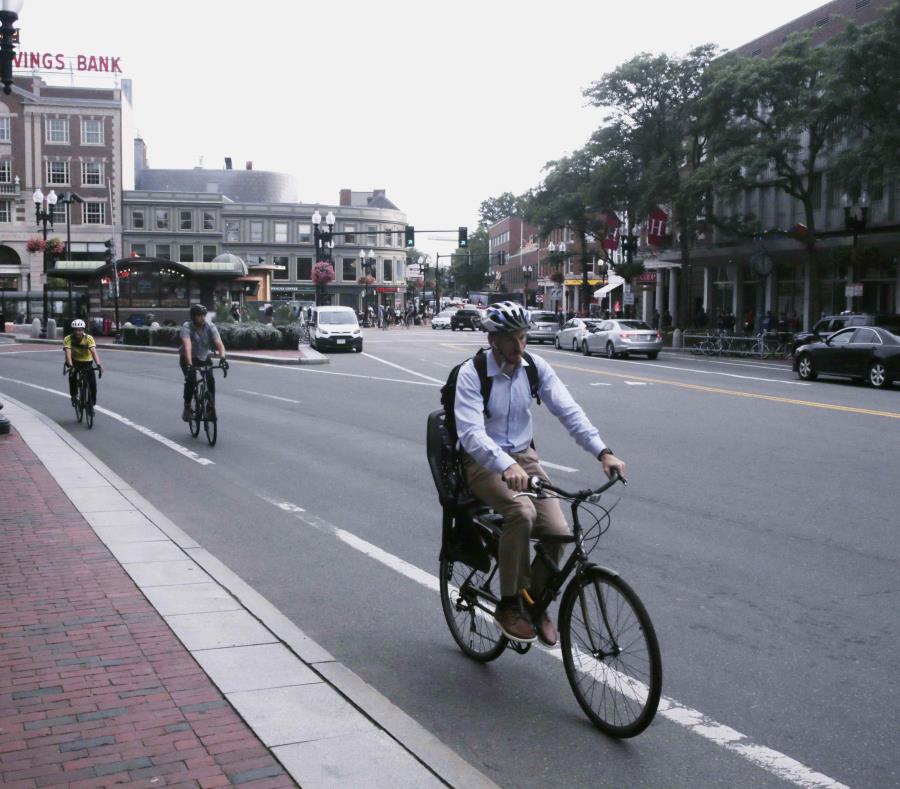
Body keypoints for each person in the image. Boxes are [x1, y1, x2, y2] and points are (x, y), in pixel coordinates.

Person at [455, 301, 626, 646]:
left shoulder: (534, 367)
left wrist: (602, 452)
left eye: (523, 338)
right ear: (493, 340)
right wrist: (505, 464)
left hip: (525, 459)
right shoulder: (472, 373)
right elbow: (471, 434)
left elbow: (568, 410)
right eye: (511, 340)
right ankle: (508, 605)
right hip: (483, 462)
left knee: (560, 532)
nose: (519, 347)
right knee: (522, 512)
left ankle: (533, 601)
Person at [179, 304, 227, 422]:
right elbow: (187, 346)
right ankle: (187, 406)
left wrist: (223, 358)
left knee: (210, 379)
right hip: (187, 357)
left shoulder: (210, 326)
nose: (202, 318)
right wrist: (190, 364)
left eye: (203, 315)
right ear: (193, 317)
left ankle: (210, 408)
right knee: (191, 380)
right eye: (199, 315)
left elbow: (219, 343)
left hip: (204, 357)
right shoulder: (187, 327)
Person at [63, 319, 104, 407]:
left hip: (87, 361)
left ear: (83, 330)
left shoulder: (89, 338)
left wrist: (98, 364)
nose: (78, 332)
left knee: (92, 382)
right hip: (74, 361)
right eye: (75, 330)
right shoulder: (68, 339)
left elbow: (93, 351)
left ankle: (91, 402)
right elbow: (68, 352)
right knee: (72, 377)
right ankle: (74, 395)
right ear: (72, 330)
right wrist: (70, 365)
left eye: (80, 330)